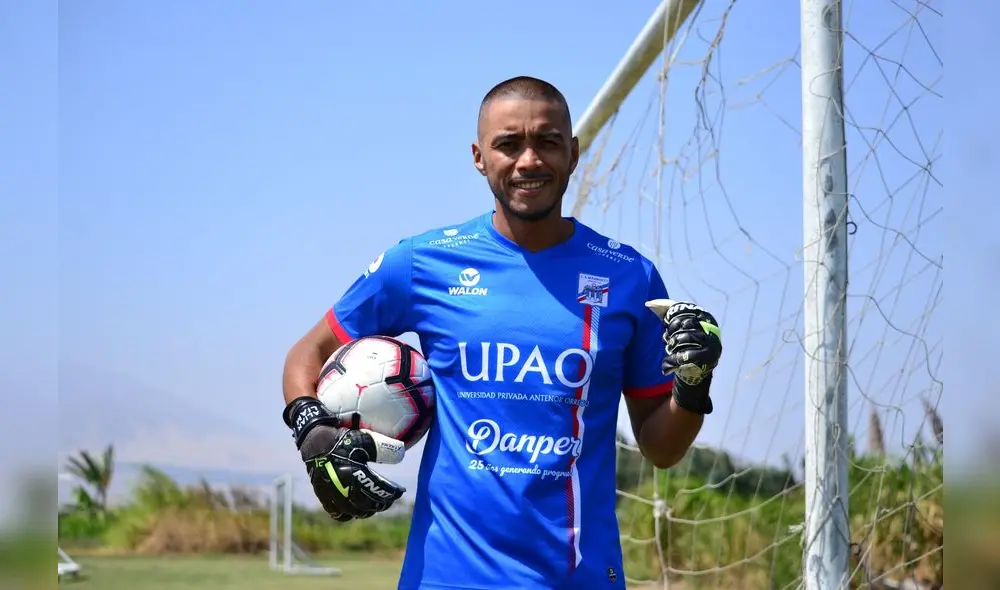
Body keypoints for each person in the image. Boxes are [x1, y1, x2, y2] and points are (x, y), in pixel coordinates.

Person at [280, 75, 723, 589]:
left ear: (574, 152)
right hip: (445, 577)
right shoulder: (422, 263)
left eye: (547, 142)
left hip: (576, 577)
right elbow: (306, 355)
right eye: (508, 144)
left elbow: (662, 449)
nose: (529, 160)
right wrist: (315, 433)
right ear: (478, 156)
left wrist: (694, 383)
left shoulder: (629, 278)